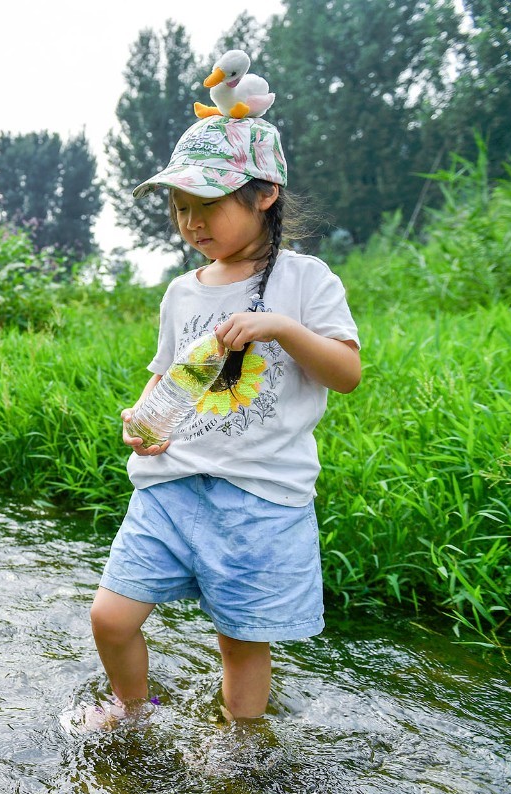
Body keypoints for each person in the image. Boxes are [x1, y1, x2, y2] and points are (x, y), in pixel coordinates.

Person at [86, 114, 361, 727]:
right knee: (111, 616)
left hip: (259, 495)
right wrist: (142, 418)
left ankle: (240, 740)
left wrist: (282, 328)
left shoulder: (305, 279)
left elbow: (346, 373)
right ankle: (133, 709)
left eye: (207, 204)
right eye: (180, 207)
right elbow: (167, 373)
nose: (192, 222)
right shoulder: (182, 291)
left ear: (265, 195)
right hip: (170, 486)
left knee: (240, 639)